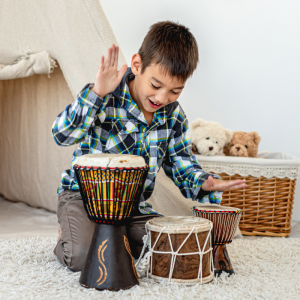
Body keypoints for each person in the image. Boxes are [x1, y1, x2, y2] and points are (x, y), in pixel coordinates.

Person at [51, 21, 246, 271]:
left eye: (175, 91)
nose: (162, 98)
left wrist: (205, 181)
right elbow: (61, 135)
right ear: (137, 65)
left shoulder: (173, 115)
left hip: (132, 206)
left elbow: (181, 163)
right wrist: (96, 94)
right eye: (155, 85)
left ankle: (118, 238)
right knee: (83, 258)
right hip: (84, 198)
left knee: (173, 248)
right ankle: (67, 237)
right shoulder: (104, 96)